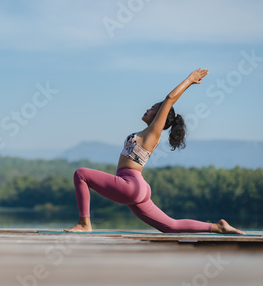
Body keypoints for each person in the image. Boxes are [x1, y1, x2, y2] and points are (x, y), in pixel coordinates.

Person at [64, 68, 245, 234]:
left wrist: (189, 80)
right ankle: (217, 227)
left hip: (130, 185)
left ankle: (84, 223)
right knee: (170, 226)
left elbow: (169, 99)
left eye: (152, 109)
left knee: (81, 174)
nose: (147, 109)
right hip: (137, 187)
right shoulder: (146, 133)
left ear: (160, 117)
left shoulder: (153, 133)